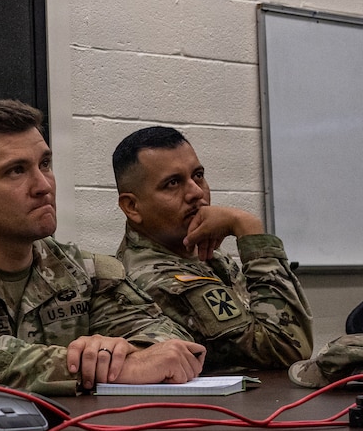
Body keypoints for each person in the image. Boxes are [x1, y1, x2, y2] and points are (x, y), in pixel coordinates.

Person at [0, 100, 205, 397]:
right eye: (16, 171)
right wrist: (109, 367)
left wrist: (125, 351)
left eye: (44, 164)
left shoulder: (79, 269)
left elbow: (170, 338)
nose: (44, 186)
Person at [112, 125, 312, 370]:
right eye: (173, 183)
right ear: (132, 206)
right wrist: (249, 229)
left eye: (198, 175)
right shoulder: (155, 279)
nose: (196, 192)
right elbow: (288, 348)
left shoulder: (199, 255)